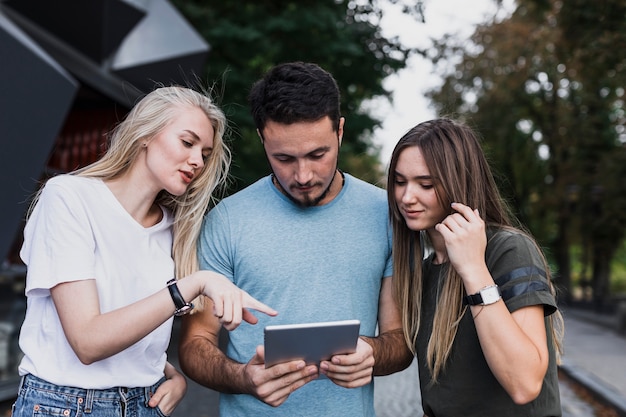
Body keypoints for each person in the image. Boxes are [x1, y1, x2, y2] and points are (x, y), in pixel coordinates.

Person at [12, 86, 276, 417]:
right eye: (187, 142)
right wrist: (193, 284)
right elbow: (87, 341)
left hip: (145, 404)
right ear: (145, 135)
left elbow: (132, 333)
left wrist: (168, 375)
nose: (196, 161)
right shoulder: (69, 198)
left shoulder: (175, 230)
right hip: (66, 405)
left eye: (205, 154)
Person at [178, 62, 413, 416]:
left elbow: (402, 341)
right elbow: (196, 343)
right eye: (284, 158)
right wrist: (244, 377)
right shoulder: (227, 221)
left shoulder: (387, 215)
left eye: (318, 155)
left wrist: (374, 353)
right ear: (262, 138)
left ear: (340, 132)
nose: (303, 175)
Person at [387, 118, 564, 417]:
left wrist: (473, 269)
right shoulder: (424, 270)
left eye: (426, 184)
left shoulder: (508, 250)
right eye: (400, 182)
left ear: (459, 183)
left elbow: (525, 384)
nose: (407, 197)